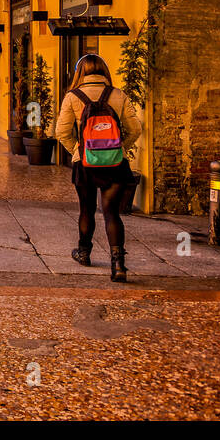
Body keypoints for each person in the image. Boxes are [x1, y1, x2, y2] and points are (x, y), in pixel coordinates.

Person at [55, 53, 142, 283]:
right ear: (104, 70)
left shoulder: (73, 97)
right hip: (115, 164)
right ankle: (118, 264)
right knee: (112, 212)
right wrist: (119, 147)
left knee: (86, 210)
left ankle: (84, 253)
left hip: (85, 164)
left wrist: (78, 150)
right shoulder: (118, 95)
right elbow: (135, 128)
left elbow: (61, 132)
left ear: (80, 73)